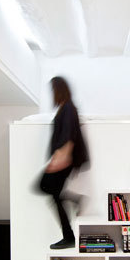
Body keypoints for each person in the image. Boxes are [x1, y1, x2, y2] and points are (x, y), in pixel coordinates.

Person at [39, 76, 88, 249]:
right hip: (63, 157)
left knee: (45, 187)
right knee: (52, 192)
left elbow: (68, 135)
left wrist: (61, 158)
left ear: (59, 89)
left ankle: (69, 236)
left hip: (65, 158)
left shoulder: (68, 108)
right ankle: (75, 202)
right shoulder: (65, 108)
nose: (52, 93)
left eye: (53, 89)